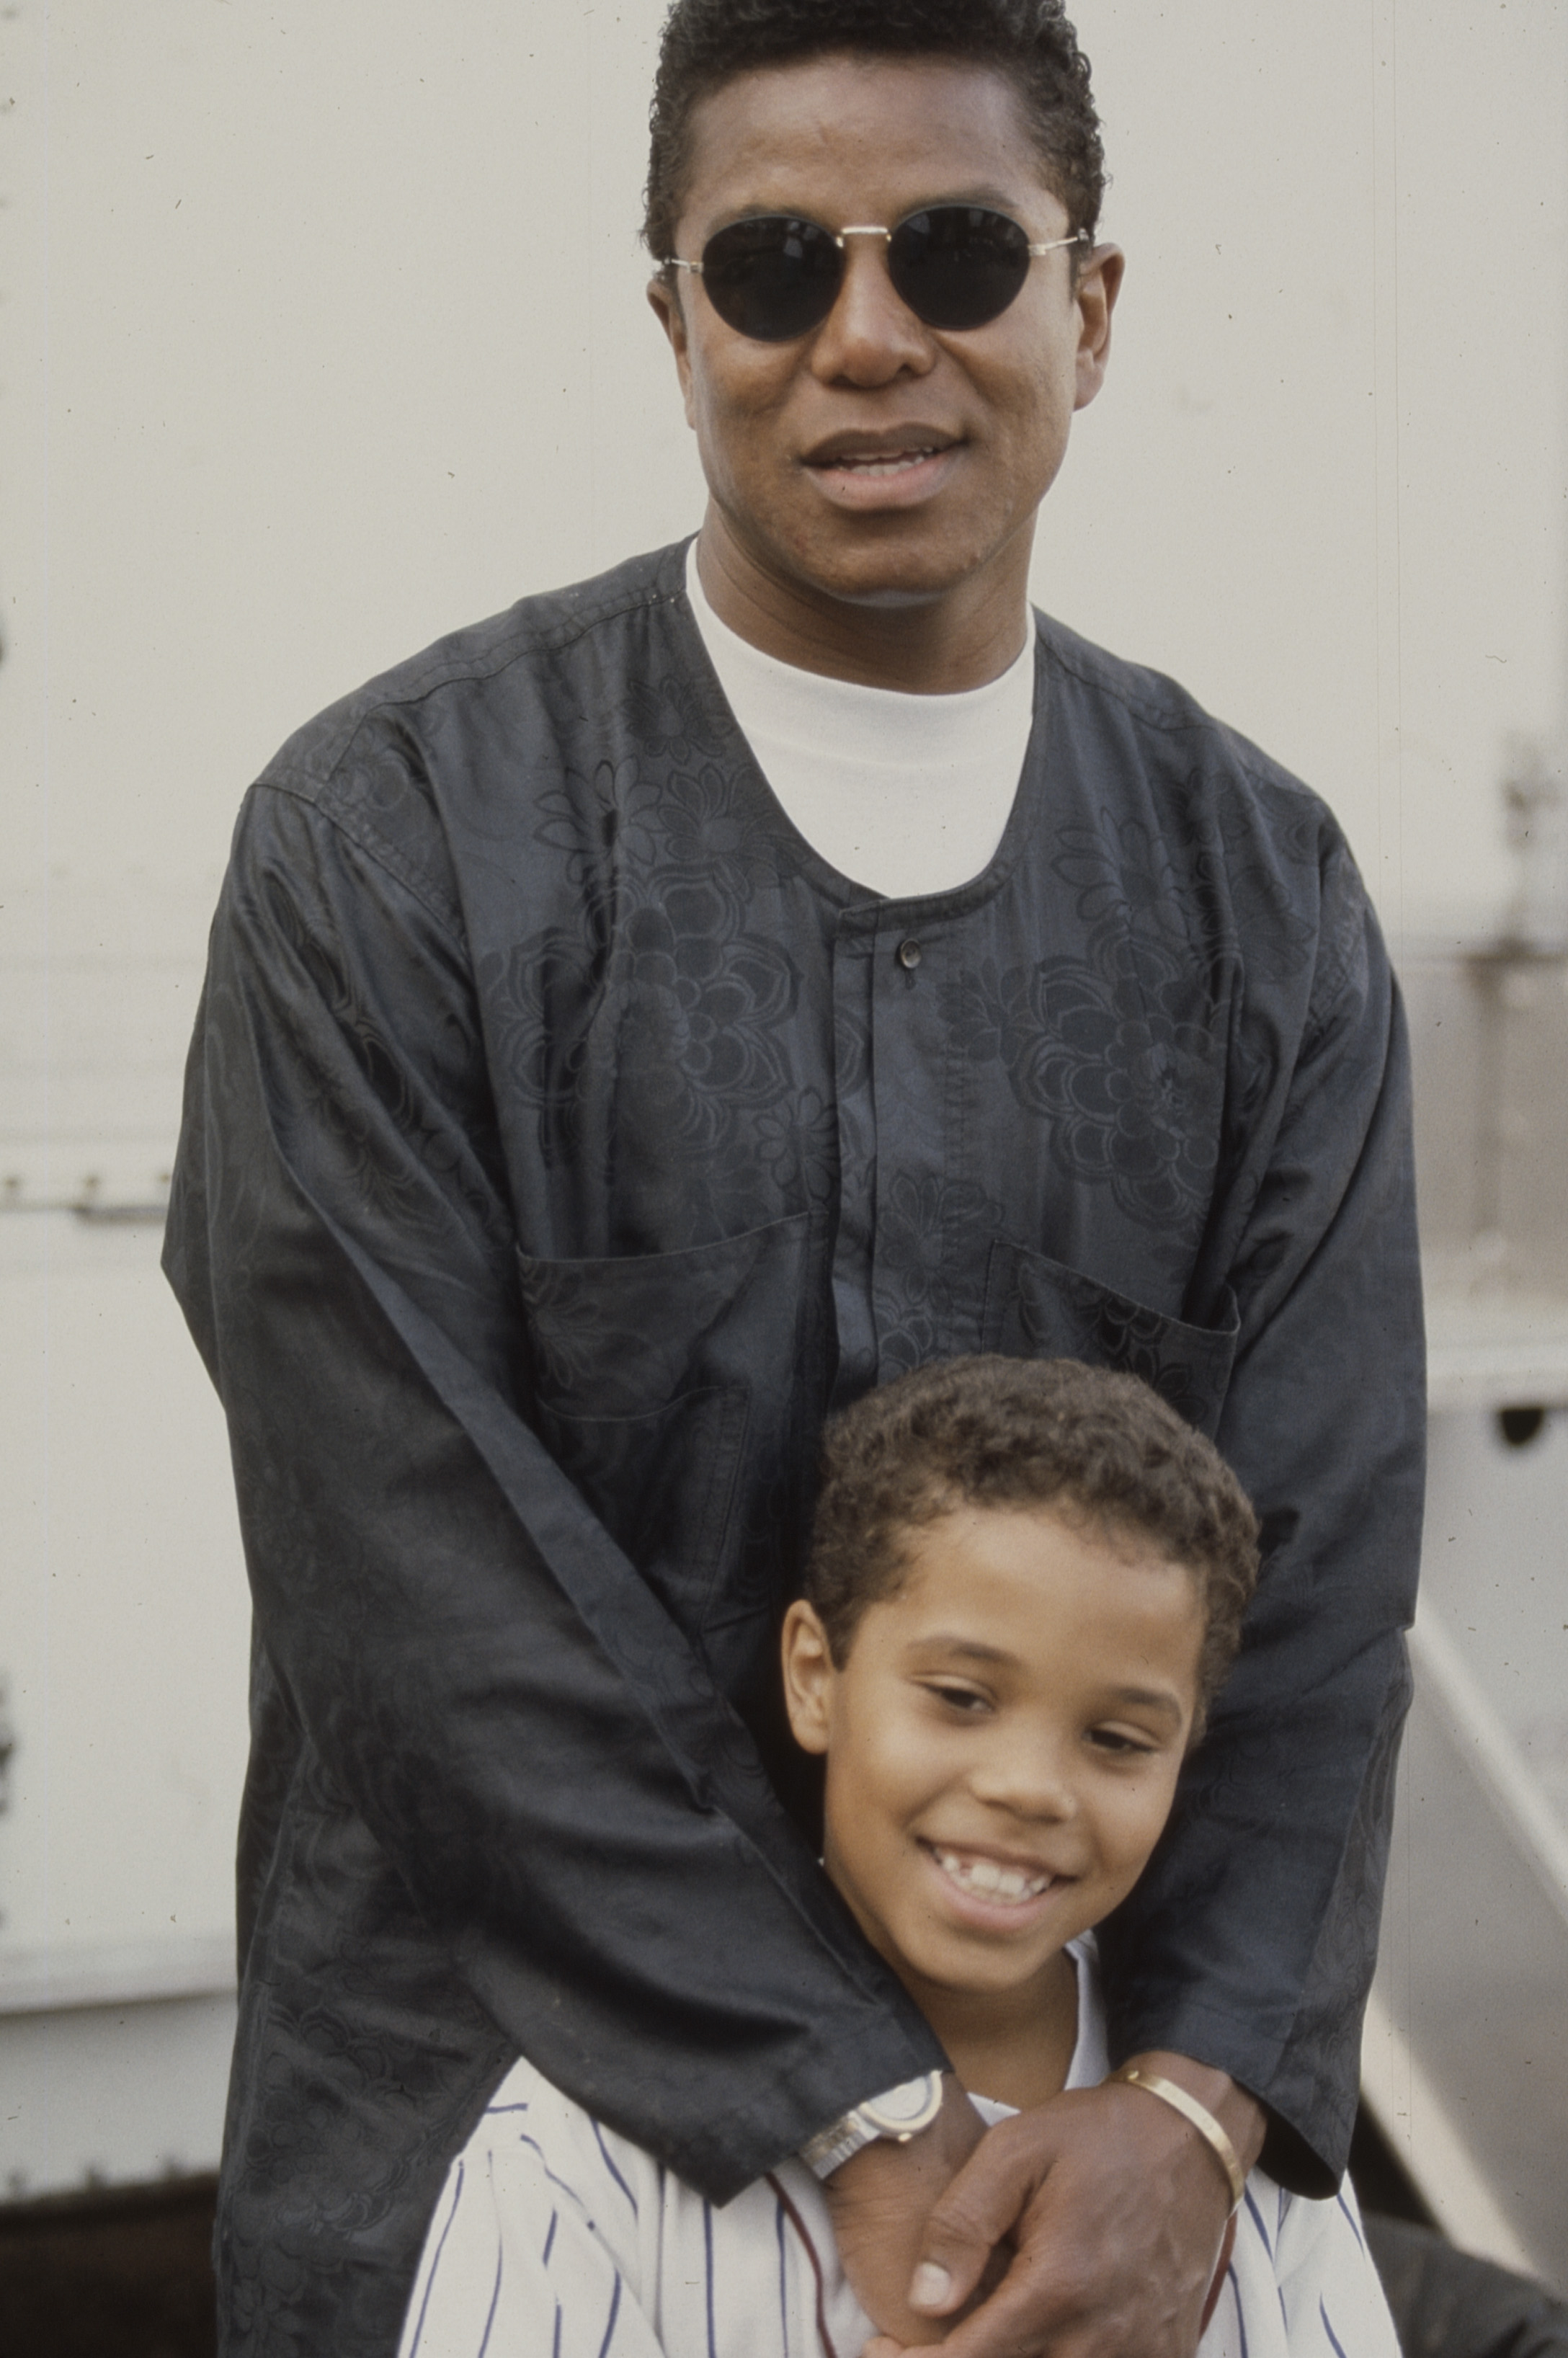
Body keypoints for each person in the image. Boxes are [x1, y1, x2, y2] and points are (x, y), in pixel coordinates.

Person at [162, 2, 1425, 2353]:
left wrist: (1190, 2102)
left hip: (1088, 2223)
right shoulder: (395, 852)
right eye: (768, 270)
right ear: (671, 323)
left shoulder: (1252, 895)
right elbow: (415, 1583)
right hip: (495, 2189)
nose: (867, 339)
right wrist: (842, 2099)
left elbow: (1319, 1583)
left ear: (1091, 305)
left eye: (954, 253)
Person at [394, 1357, 1402, 2358]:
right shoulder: (579, 2142)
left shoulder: (1220, 2149)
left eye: (1119, 1741)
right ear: (814, 1677)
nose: (1030, 1787)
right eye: (962, 1698)